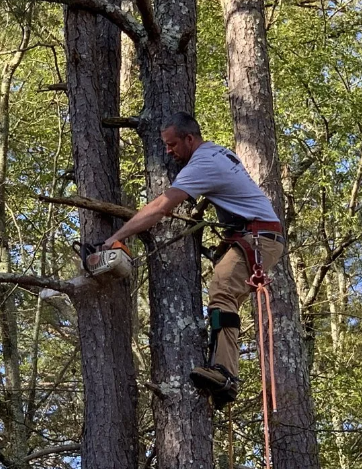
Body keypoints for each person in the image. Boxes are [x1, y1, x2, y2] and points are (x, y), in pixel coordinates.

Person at [104, 112, 284, 409]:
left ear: (190, 139)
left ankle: (224, 374)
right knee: (223, 296)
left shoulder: (204, 162)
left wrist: (117, 237)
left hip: (257, 238)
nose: (169, 151)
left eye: (172, 144)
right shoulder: (218, 153)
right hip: (255, 235)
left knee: (222, 293)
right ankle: (222, 371)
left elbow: (161, 206)